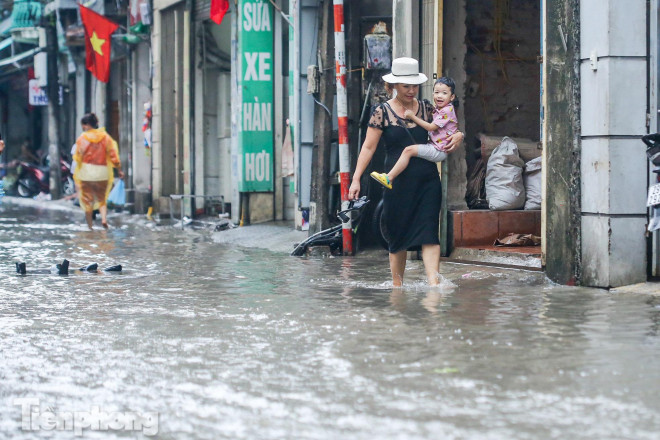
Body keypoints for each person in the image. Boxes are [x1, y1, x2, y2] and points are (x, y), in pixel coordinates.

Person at [348, 58, 464, 286]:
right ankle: (397, 286)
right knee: (397, 234)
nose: (411, 91)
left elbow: (449, 127)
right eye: (406, 86)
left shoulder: (428, 109)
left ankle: (434, 285)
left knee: (429, 232)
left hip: (428, 180)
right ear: (393, 86)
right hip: (396, 183)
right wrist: (355, 179)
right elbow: (368, 147)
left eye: (415, 86)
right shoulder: (381, 112)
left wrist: (460, 136)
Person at [370, 77, 458, 189]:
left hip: (438, 150)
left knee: (408, 150)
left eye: (444, 93)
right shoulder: (438, 109)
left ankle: (389, 177)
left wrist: (412, 116)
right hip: (435, 147)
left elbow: (431, 127)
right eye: (436, 92)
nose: (439, 96)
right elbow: (368, 147)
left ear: (452, 97)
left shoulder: (445, 110)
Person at [73, 113, 124, 229]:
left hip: (87, 172)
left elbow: (77, 157)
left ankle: (90, 226)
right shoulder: (106, 138)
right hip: (102, 171)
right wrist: (119, 170)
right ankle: (104, 220)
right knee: (101, 198)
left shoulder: (82, 139)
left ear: (86, 125)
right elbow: (113, 156)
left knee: (88, 201)